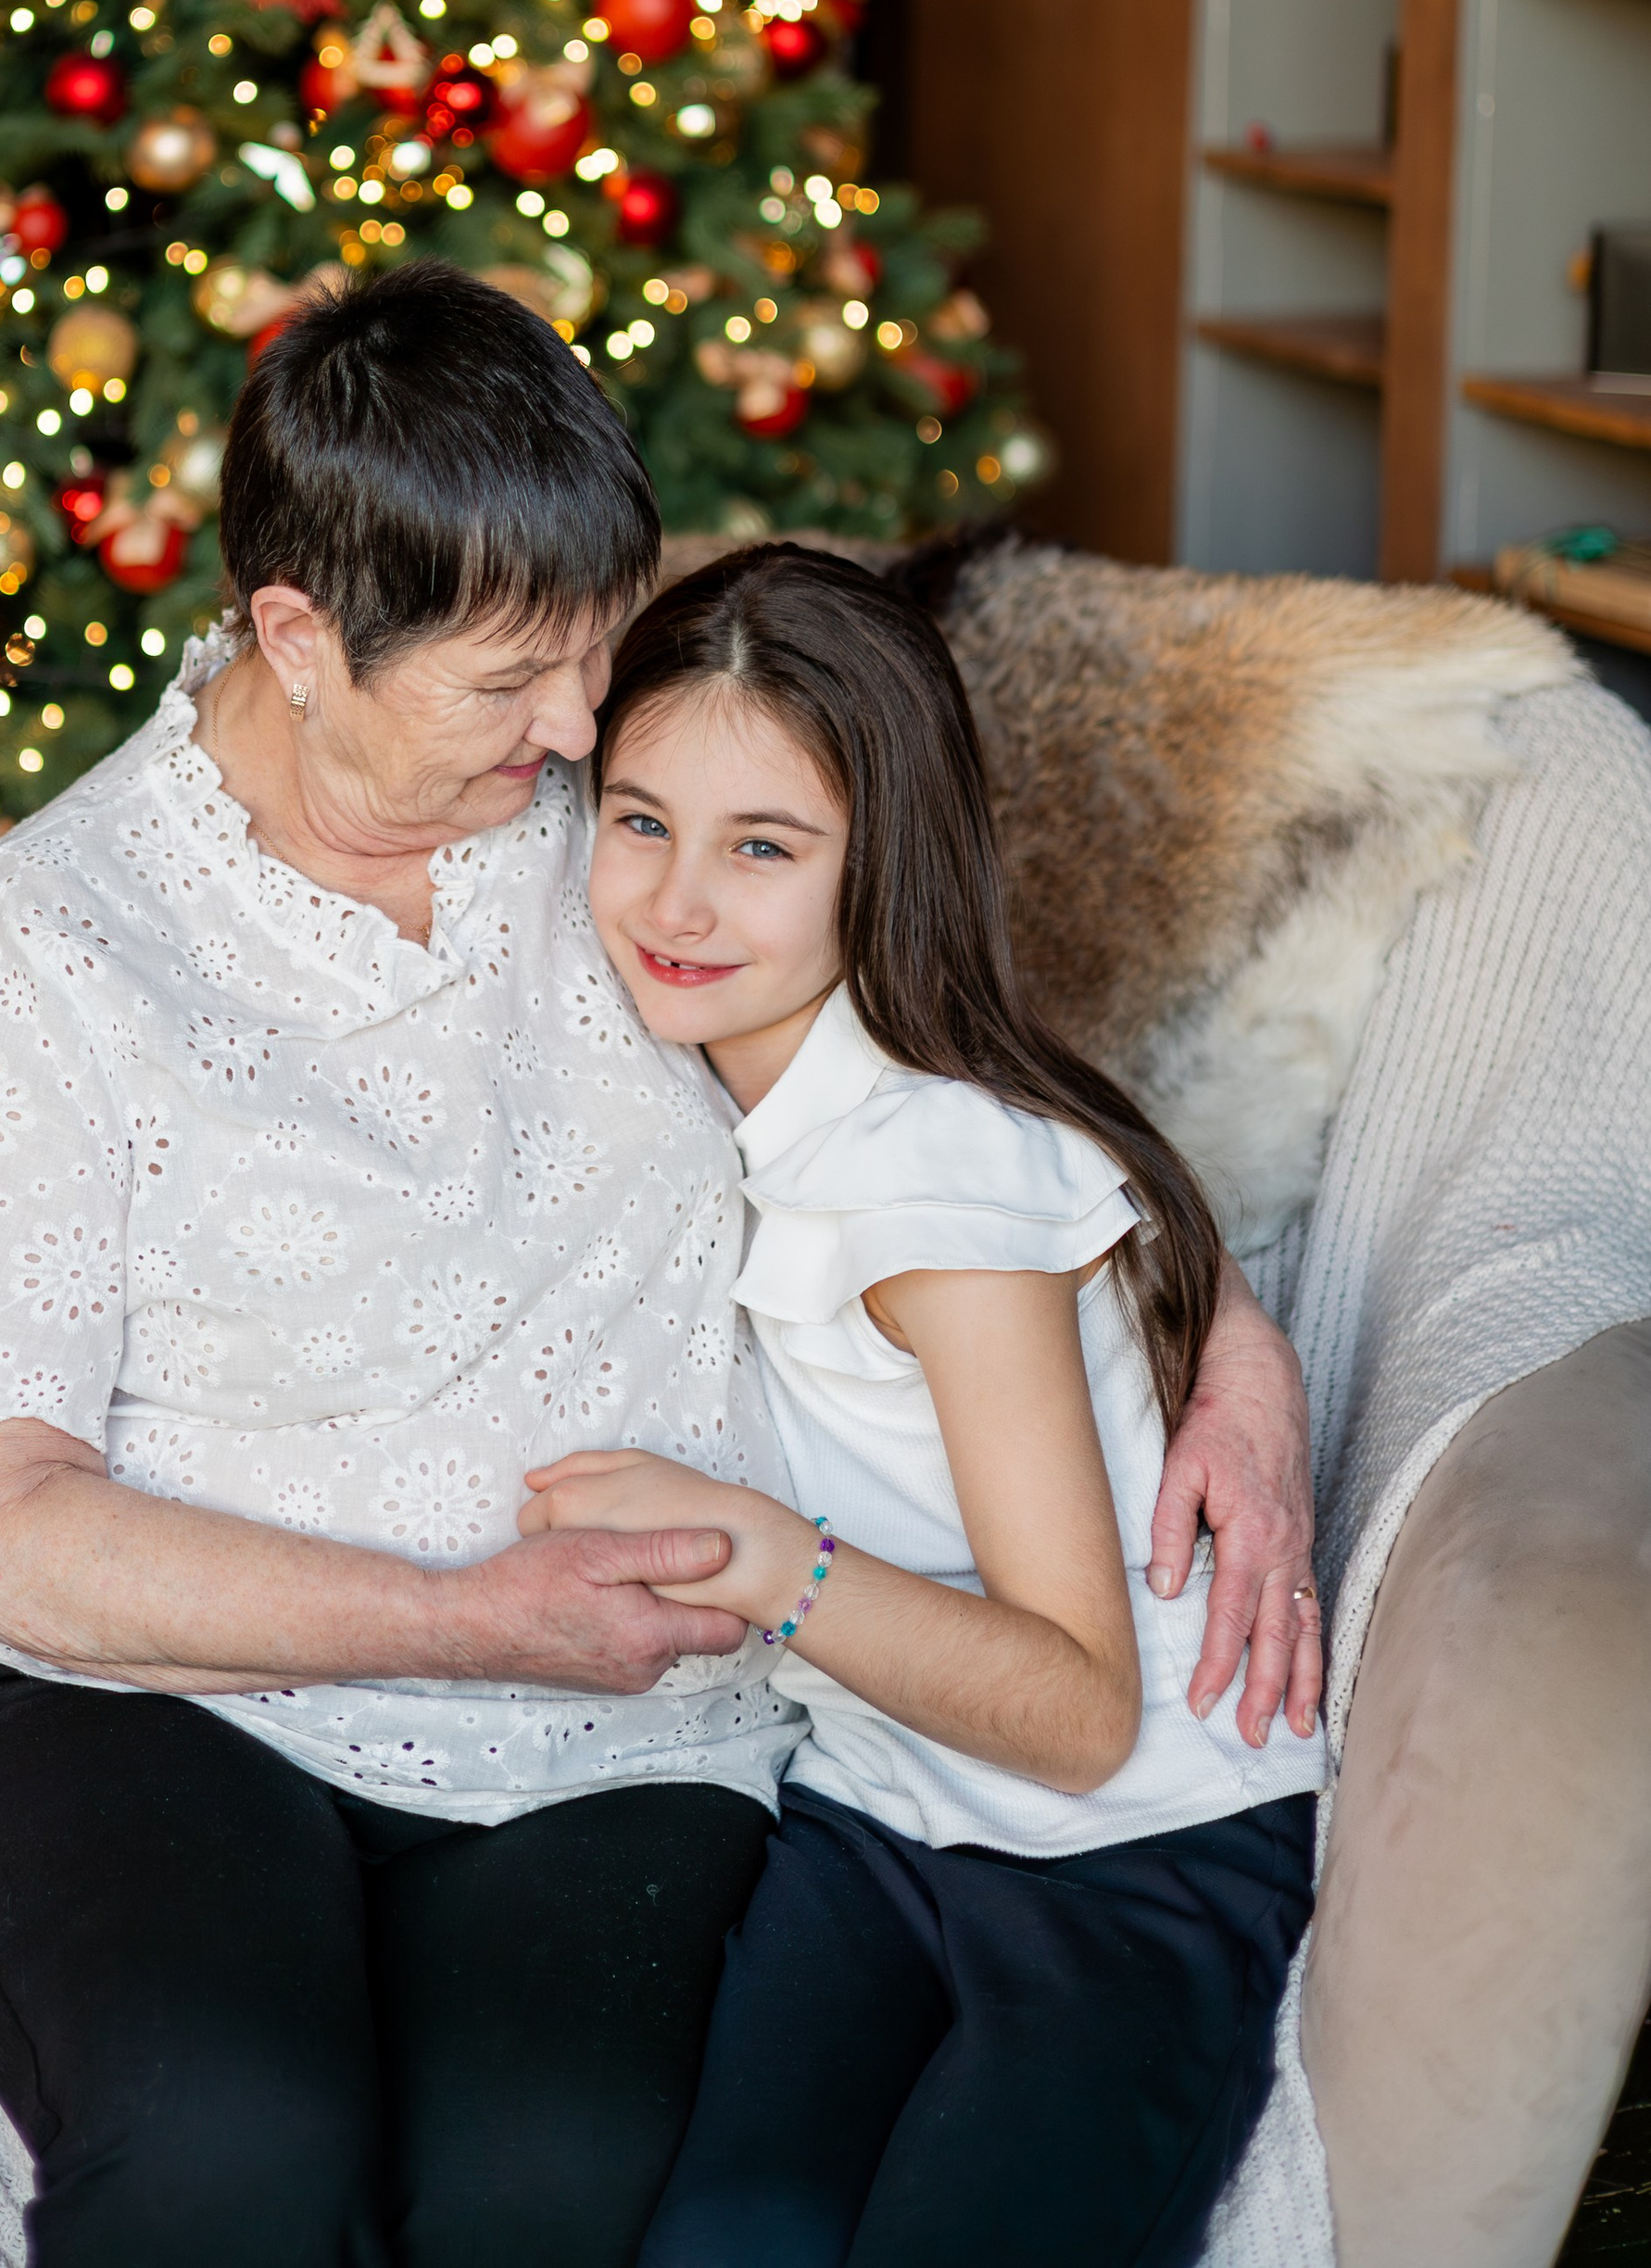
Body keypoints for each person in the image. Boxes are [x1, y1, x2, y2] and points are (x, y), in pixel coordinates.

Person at [0, 266, 1319, 2268]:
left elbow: (968, 1079)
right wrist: (455, 1614)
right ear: (298, 638)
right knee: (232, 2146)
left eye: (590, 656)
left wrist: (1232, 1353)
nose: (575, 727)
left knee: (556, 2189)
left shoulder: (632, 831)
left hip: (615, 1719)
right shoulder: (52, 945)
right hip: (153, 1704)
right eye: (509, 686)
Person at [522, 542, 1320, 2268]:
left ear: (880, 864)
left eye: (764, 849)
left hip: (1131, 1846)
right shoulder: (688, 1053)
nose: (676, 904)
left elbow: (1084, 1709)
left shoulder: (929, 1197)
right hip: (884, 1805)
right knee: (719, 2241)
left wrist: (769, 1565)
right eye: (641, 819)